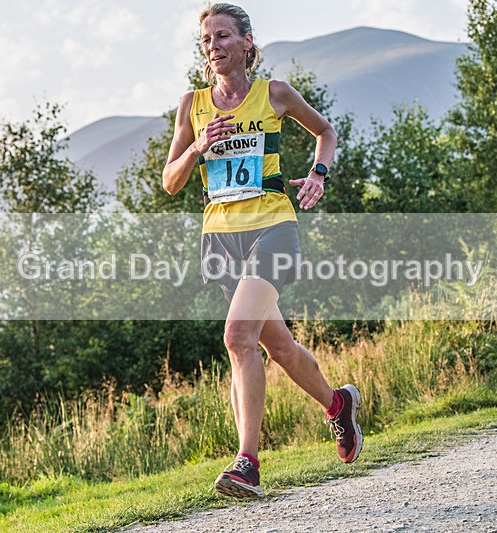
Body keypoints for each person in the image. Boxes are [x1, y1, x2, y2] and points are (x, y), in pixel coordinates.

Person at [163, 2, 362, 499]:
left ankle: (246, 462)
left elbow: (325, 132)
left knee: (236, 338)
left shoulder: (274, 93)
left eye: (224, 36)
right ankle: (338, 405)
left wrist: (319, 173)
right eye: (207, 39)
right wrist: (197, 146)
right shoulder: (192, 106)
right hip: (221, 237)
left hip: (272, 226)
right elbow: (170, 182)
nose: (214, 46)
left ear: (247, 43)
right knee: (278, 347)